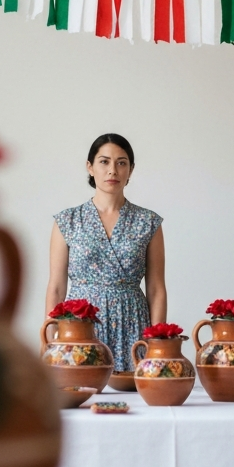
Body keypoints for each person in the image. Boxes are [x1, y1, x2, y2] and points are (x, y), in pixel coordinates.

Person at [46, 133, 166, 372]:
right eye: (104, 161)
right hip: (81, 327)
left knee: (138, 400)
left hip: (132, 324)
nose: (113, 170)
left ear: (130, 170)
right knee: (80, 396)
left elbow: (156, 288)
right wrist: (50, 341)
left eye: (121, 163)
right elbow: (56, 287)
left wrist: (157, 342)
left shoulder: (148, 221)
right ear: (90, 167)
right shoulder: (67, 221)